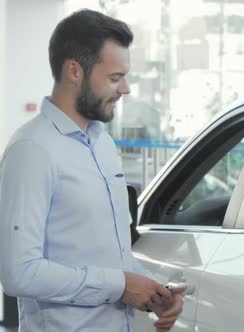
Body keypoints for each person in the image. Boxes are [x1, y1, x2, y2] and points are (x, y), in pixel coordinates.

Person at [0, 9, 183, 331]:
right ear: (74, 71)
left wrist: (155, 290)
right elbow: (18, 273)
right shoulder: (32, 151)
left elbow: (113, 256)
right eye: (115, 77)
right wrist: (120, 285)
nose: (125, 88)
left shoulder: (103, 145)